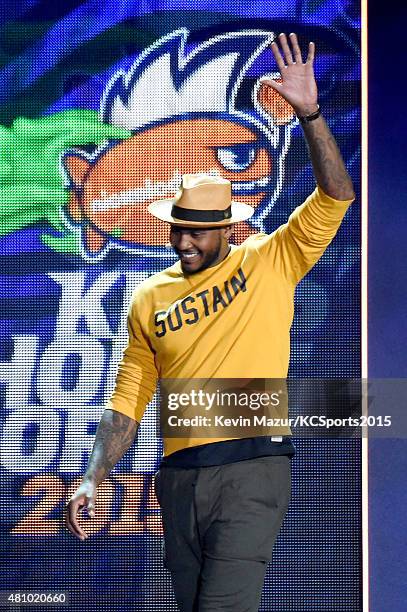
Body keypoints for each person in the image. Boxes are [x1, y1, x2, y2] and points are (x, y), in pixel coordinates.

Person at [65, 33, 355, 611]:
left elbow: (336, 194)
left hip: (252, 466)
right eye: (178, 230)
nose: (185, 241)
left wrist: (311, 115)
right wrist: (94, 476)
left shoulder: (274, 257)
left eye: (198, 231)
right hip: (177, 477)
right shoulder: (151, 296)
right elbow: (128, 398)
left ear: (228, 227)